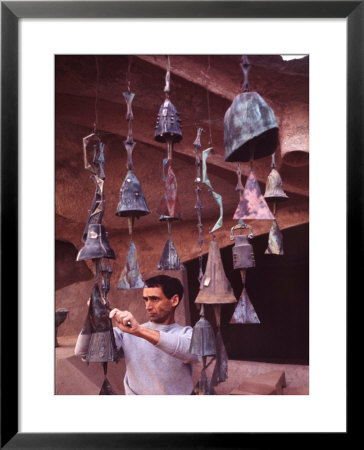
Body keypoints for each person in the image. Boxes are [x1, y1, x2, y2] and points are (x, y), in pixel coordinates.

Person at [75, 275, 200, 395]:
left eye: (154, 299)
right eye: (146, 299)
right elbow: (84, 352)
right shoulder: (127, 333)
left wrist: (138, 331)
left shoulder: (186, 334)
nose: (148, 306)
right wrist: (93, 315)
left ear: (174, 300)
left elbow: (190, 352)